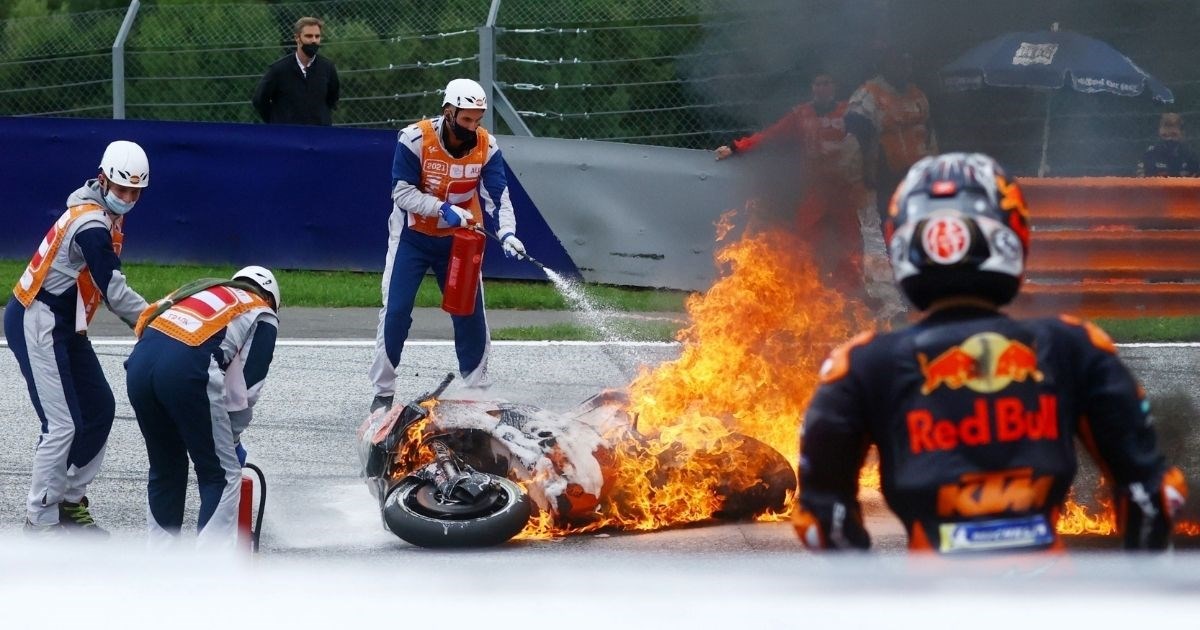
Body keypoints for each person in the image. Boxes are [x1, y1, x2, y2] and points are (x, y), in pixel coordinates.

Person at [793, 152, 1187, 554]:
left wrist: (873, 598)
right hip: (1051, 598)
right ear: (1012, 234)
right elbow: (1152, 495)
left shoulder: (860, 364)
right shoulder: (1074, 345)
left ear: (903, 243)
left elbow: (823, 520)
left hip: (929, 600)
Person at [6, 140, 151, 536]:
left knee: (100, 409)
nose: (128, 198)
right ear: (103, 180)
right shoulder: (89, 222)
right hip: (37, 317)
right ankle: (40, 519)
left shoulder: (103, 212)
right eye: (122, 189)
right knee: (63, 424)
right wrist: (153, 320)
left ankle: (70, 502)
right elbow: (114, 290)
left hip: (67, 323)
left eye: (135, 192)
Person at [368, 78, 527, 413]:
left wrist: (509, 233)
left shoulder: (487, 145)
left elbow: (498, 195)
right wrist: (442, 209)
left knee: (471, 313)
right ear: (449, 111)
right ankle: (383, 392)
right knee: (396, 311)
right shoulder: (414, 138)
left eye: (477, 120)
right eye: (466, 119)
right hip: (412, 236)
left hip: (459, 241)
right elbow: (401, 192)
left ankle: (478, 390)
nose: (471, 127)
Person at [125, 266, 280, 550]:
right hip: (186, 372)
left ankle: (158, 566)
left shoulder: (201, 290)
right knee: (221, 474)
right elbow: (248, 387)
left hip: (138, 367)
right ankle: (209, 575)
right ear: (270, 298)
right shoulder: (262, 311)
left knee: (166, 468)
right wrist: (231, 438)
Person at [714, 72, 866, 300]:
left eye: (827, 83)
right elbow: (771, 135)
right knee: (804, 238)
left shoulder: (850, 112)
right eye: (818, 83)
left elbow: (873, 140)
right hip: (817, 189)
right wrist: (737, 148)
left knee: (850, 241)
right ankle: (806, 292)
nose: (822, 88)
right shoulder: (801, 114)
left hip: (845, 190)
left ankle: (853, 295)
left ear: (835, 87)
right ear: (812, 88)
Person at [844, 45, 937, 222]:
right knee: (891, 224)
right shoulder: (867, 96)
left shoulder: (917, 95)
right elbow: (854, 142)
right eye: (898, 63)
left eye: (907, 63)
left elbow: (929, 137)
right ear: (884, 66)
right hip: (885, 178)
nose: (905, 68)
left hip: (919, 177)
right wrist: (858, 181)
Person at [252, 16, 340, 126]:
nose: (314, 40)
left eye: (317, 36)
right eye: (309, 36)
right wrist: (276, 121)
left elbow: (332, 98)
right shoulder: (278, 70)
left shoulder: (327, 68)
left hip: (319, 135)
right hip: (288, 135)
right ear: (297, 38)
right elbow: (259, 100)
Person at [1136, 112, 1199, 177]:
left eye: (1174, 135)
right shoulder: (1150, 154)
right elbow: (1141, 180)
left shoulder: (1191, 155)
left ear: (1182, 134)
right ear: (1159, 134)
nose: (1169, 139)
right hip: (1156, 186)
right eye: (1165, 135)